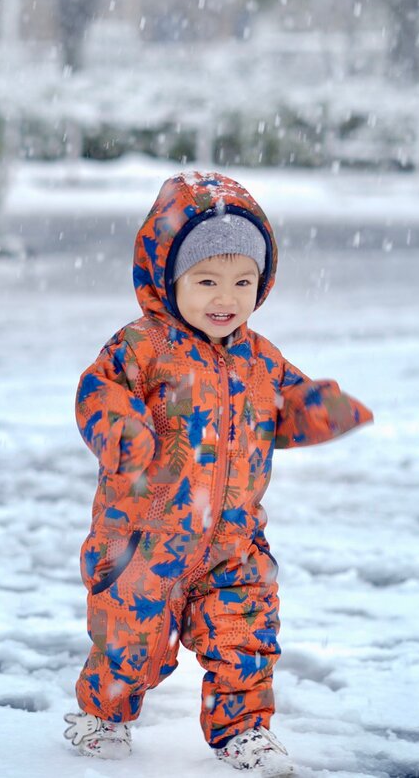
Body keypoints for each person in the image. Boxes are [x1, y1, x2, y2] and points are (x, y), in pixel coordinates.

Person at [62, 172, 372, 775]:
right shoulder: (143, 347)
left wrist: (322, 409)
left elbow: (288, 404)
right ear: (168, 279)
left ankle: (244, 731)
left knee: (247, 633)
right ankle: (103, 714)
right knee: (130, 641)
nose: (225, 297)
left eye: (242, 282)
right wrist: (123, 431)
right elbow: (97, 393)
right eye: (205, 281)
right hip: (144, 540)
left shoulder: (260, 357)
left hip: (232, 539)